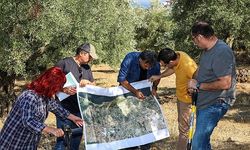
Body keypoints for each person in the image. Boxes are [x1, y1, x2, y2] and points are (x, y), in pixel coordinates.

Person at [0, 67, 83, 150]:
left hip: (30, 142)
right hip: (14, 141)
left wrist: (75, 118)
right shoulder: (29, 97)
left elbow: (57, 108)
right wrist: (51, 130)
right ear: (50, 85)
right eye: (58, 87)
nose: (59, 90)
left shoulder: (45, 96)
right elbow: (28, 121)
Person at [188, 21, 236, 150]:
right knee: (202, 143)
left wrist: (198, 85)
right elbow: (201, 70)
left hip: (216, 102)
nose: (194, 43)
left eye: (194, 39)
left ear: (199, 37)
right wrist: (193, 81)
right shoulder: (206, 51)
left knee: (197, 144)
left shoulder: (222, 52)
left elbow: (226, 83)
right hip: (204, 101)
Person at [149, 48, 197, 150]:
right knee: (181, 124)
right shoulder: (179, 54)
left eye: (165, 65)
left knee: (184, 129)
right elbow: (172, 69)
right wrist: (159, 76)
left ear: (171, 61)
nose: (164, 67)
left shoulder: (188, 67)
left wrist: (192, 89)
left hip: (187, 100)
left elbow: (198, 78)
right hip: (180, 97)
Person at [55, 43, 98, 150]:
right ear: (82, 53)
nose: (91, 59)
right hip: (63, 108)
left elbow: (94, 84)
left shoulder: (87, 67)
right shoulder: (64, 63)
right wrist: (63, 89)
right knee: (63, 139)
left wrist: (88, 83)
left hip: (80, 109)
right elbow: (51, 82)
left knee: (76, 139)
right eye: (90, 56)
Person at [117, 50, 160, 149]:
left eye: (151, 66)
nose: (148, 67)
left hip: (145, 92)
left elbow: (158, 76)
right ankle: (130, 146)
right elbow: (122, 79)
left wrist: (154, 88)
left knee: (146, 119)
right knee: (128, 118)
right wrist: (135, 91)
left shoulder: (155, 63)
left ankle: (145, 145)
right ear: (140, 59)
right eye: (146, 64)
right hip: (127, 90)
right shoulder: (130, 58)